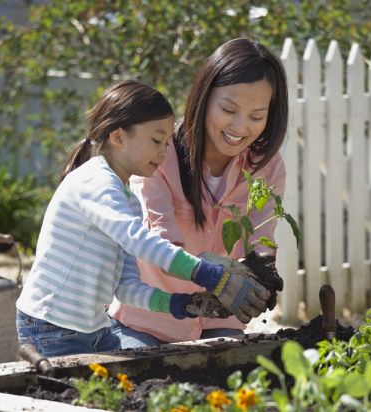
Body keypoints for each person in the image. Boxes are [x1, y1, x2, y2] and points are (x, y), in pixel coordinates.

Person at [15, 80, 270, 357]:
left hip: (94, 330)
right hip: (52, 327)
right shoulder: (95, 182)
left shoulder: (129, 201)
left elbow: (128, 289)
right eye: (156, 140)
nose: (164, 152)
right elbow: (140, 241)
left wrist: (185, 305)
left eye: (167, 143)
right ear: (118, 137)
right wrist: (212, 277)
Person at [109, 38, 288, 347]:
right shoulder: (160, 155)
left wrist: (263, 273)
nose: (240, 126)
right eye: (229, 109)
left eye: (257, 116)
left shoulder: (265, 167)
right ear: (204, 97)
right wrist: (213, 269)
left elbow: (262, 238)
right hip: (149, 322)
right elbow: (157, 245)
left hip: (222, 317)